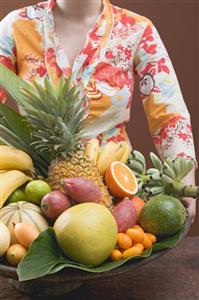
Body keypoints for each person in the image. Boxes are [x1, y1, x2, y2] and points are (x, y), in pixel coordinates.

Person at [0, 0, 197, 222]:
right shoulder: (15, 26)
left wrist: (184, 181)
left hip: (117, 190)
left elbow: (169, 113)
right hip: (37, 195)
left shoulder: (137, 29)